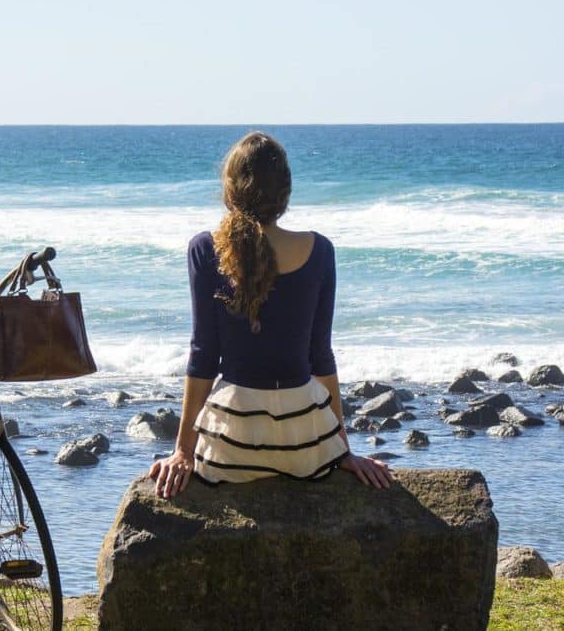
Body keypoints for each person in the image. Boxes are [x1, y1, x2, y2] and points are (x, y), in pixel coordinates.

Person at [149, 131, 391, 499]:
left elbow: (203, 355)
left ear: (230, 190)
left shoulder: (205, 249)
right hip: (307, 449)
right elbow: (320, 356)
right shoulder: (320, 250)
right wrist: (342, 450)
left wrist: (183, 452)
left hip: (231, 449)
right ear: (285, 192)